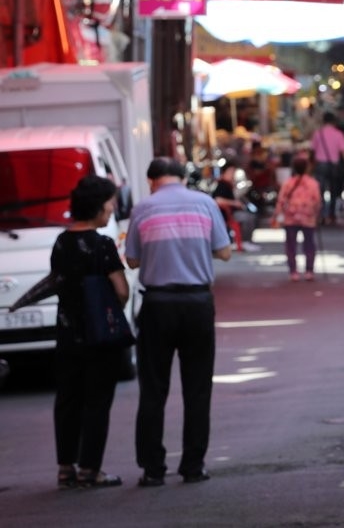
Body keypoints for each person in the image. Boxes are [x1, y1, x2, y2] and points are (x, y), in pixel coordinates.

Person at [125, 157, 233, 487]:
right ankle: (193, 466)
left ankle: (153, 469)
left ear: (151, 181)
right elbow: (224, 252)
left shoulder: (143, 208)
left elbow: (131, 259)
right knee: (197, 388)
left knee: (153, 390)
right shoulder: (205, 204)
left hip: (158, 305)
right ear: (182, 178)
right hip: (198, 304)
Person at [51, 175, 129, 489]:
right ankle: (90, 469)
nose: (112, 208)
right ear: (97, 205)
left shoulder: (61, 242)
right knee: (97, 400)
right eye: (110, 202)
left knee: (68, 399)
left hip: (67, 332)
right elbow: (121, 290)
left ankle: (65, 468)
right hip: (98, 336)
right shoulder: (102, 244)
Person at [272, 156, 322, 281]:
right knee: (309, 244)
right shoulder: (313, 183)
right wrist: (316, 214)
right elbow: (317, 201)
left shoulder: (288, 183)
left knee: (291, 245)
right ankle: (309, 271)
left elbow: (281, 200)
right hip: (308, 218)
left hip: (290, 218)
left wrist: (277, 215)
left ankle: (293, 272)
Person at [309, 110, 344, 225]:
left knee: (320, 191)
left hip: (320, 165)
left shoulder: (317, 133)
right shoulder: (338, 134)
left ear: (323, 121)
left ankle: (322, 215)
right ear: (333, 122)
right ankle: (332, 215)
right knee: (333, 190)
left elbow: (312, 150)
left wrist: (310, 166)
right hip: (334, 166)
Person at [211, 159, 260, 252]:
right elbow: (218, 200)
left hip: (232, 212)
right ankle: (244, 242)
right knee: (248, 217)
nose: (233, 174)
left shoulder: (229, 184)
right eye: (231, 172)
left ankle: (245, 241)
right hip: (226, 214)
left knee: (250, 216)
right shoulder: (222, 184)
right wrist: (234, 203)